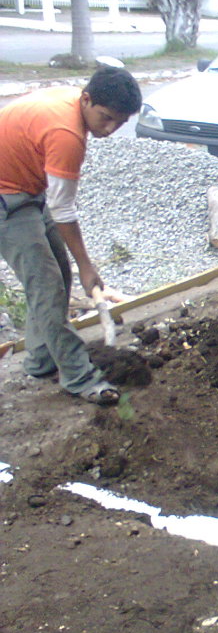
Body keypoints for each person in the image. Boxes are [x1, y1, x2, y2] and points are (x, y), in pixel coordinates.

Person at [0, 65, 142, 405]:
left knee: (57, 276)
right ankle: (79, 377)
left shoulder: (72, 105)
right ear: (87, 99)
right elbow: (62, 210)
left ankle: (39, 359)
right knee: (46, 286)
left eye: (121, 123)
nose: (110, 129)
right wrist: (87, 267)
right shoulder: (67, 133)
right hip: (6, 198)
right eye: (106, 118)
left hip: (27, 190)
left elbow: (56, 203)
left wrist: (76, 268)